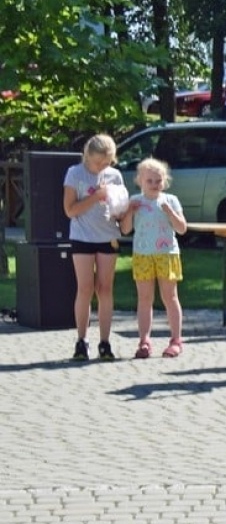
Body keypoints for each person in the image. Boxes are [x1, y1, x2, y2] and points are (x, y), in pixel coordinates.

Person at [62, 134, 127, 362]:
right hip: (82, 236)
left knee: (105, 288)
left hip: (108, 236)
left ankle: (105, 341)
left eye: (107, 162)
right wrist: (95, 196)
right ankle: (81, 340)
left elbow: (120, 208)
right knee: (85, 288)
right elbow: (70, 210)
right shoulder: (75, 173)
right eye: (98, 162)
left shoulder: (114, 175)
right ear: (88, 156)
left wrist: (121, 209)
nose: (102, 167)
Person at [119, 158, 187, 359]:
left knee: (170, 296)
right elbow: (125, 229)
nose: (155, 185)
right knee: (144, 298)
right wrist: (130, 211)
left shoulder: (171, 200)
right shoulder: (135, 201)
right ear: (139, 181)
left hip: (167, 254)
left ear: (164, 181)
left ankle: (176, 340)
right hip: (143, 254)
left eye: (158, 181)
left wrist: (170, 212)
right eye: (150, 181)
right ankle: (144, 340)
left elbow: (182, 228)